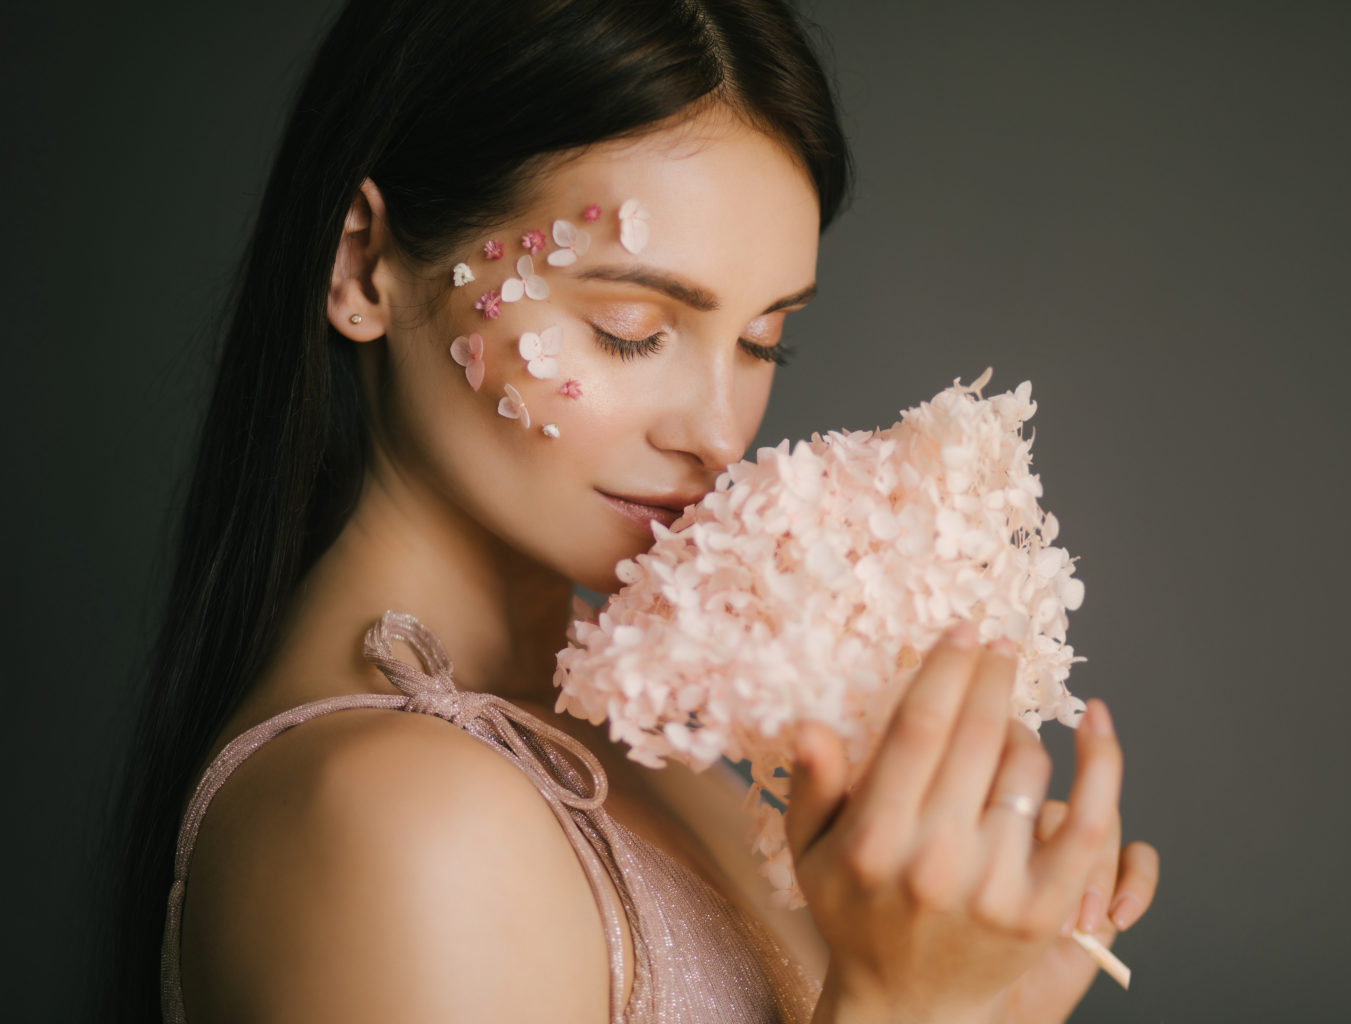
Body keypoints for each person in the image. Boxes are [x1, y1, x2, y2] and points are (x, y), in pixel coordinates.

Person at [102, 1, 1159, 1020]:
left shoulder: (654, 755)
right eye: (628, 327)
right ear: (363, 265)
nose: (718, 431)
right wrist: (901, 1009)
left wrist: (979, 1001)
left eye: (763, 344)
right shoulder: (400, 824)